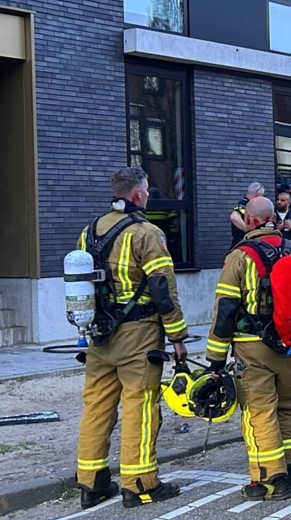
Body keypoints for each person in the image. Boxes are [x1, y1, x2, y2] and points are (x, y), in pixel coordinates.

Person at [75, 167, 189, 509]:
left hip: (99, 334)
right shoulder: (147, 233)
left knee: (96, 406)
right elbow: (162, 289)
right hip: (138, 334)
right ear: (138, 195)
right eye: (148, 191)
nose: (149, 196)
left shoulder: (90, 231)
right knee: (140, 405)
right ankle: (139, 484)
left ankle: (91, 483)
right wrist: (177, 335)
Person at [205, 196, 291, 501]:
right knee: (285, 408)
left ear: (251, 221)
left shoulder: (240, 257)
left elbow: (225, 311)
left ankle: (270, 479)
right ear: (274, 218)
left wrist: (216, 360)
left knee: (259, 413)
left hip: (251, 350)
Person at [230, 182, 265, 249]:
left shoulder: (252, 205)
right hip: (241, 245)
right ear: (257, 195)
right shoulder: (243, 204)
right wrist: (250, 232)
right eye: (262, 196)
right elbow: (234, 217)